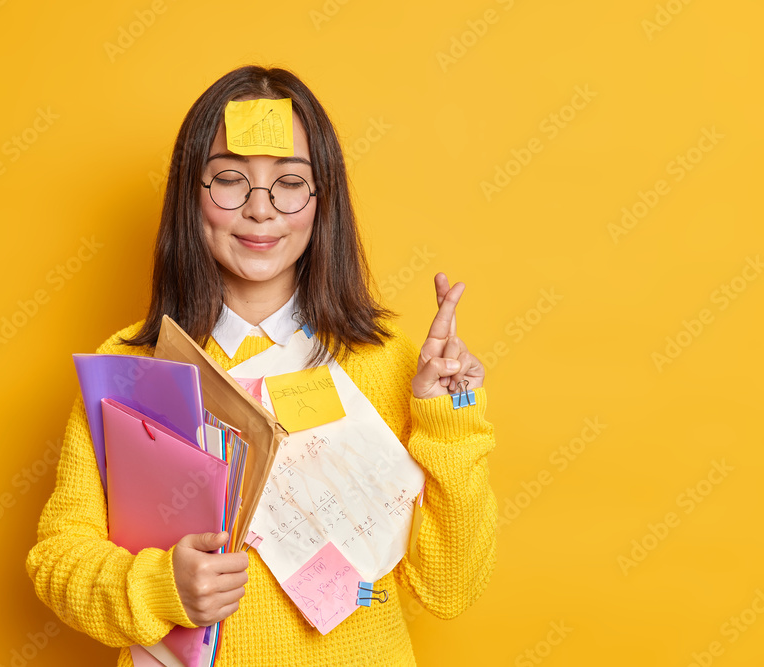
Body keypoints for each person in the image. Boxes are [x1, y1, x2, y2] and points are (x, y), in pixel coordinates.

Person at [25, 65, 497, 666]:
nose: (260, 210)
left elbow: (449, 588)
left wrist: (448, 416)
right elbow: (58, 559)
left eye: (290, 183)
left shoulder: (389, 364)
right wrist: (160, 585)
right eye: (228, 180)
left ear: (322, 201)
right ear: (187, 196)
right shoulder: (132, 366)